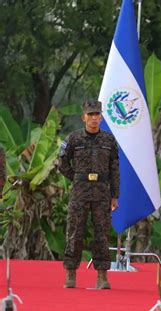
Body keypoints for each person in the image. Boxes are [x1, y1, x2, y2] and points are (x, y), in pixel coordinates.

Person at [58, 100, 120, 289]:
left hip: (102, 192)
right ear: (83, 117)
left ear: (101, 117)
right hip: (80, 192)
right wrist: (77, 178)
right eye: (90, 114)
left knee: (101, 233)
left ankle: (102, 276)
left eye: (97, 115)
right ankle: (70, 272)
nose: (94, 118)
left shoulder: (109, 140)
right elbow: (62, 164)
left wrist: (114, 195)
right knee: (75, 231)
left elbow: (114, 169)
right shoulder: (74, 139)